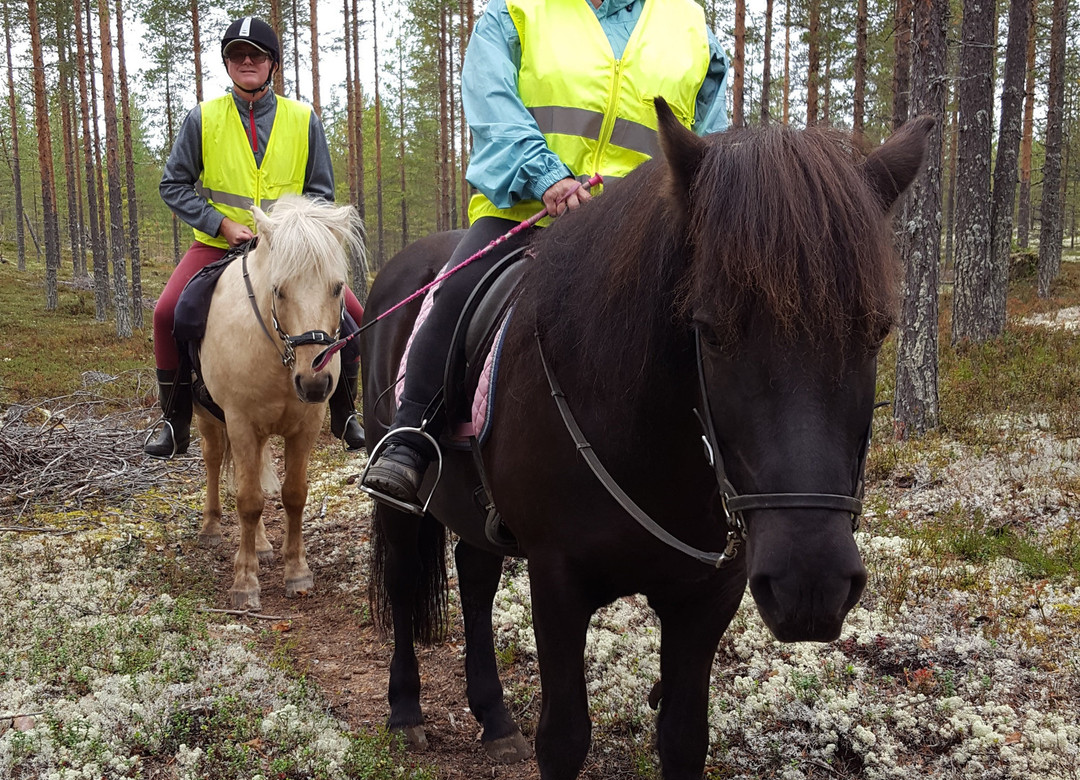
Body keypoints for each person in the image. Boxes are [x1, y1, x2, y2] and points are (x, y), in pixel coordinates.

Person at [363, 0, 729, 511]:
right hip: (528, 209)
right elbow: (493, 106)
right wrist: (545, 175)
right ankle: (409, 437)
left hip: (651, 227)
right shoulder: (515, 12)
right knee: (459, 291)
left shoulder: (689, 24)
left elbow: (711, 136)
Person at [146, 16, 365, 459]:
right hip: (218, 243)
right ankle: (174, 418)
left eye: (257, 55)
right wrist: (220, 224)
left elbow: (321, 193)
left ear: (272, 64)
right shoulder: (203, 118)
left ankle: (346, 412)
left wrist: (291, 230)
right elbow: (173, 185)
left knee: (355, 317)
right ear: (227, 64)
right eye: (236, 55)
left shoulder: (303, 119)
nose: (247, 61)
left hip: (289, 249)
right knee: (168, 311)